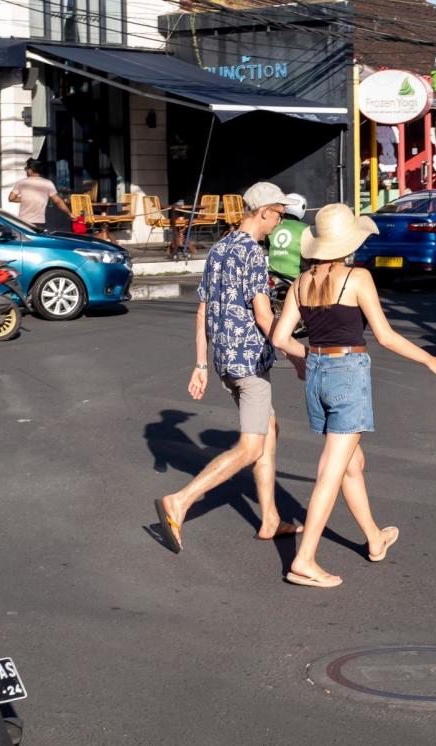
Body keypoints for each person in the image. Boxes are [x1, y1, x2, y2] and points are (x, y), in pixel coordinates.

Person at [271, 204, 436, 588]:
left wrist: (310, 359)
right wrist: (429, 358)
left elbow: (280, 338)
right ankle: (304, 559)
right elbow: (385, 336)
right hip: (348, 375)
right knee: (330, 472)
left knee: (352, 462)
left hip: (318, 377)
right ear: (348, 242)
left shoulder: (300, 283)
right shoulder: (357, 278)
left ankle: (374, 537)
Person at [154, 182, 302, 554]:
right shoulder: (253, 253)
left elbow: (202, 310)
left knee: (269, 428)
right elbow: (264, 315)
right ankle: (181, 501)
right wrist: (296, 351)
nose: (278, 222)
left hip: (224, 360)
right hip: (249, 363)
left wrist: (201, 364)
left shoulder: (219, 248)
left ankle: (269, 518)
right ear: (265, 211)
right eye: (279, 214)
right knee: (251, 447)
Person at [8, 159, 71, 229]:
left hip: (23, 221)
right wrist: (70, 214)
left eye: (26, 169)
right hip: (39, 222)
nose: (26, 171)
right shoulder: (47, 183)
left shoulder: (21, 183)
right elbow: (58, 201)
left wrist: (26, 198)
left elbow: (11, 198)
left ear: (30, 170)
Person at [267, 193, 310, 280]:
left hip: (271, 275)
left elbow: (268, 245)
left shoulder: (273, 225)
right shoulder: (306, 228)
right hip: (294, 277)